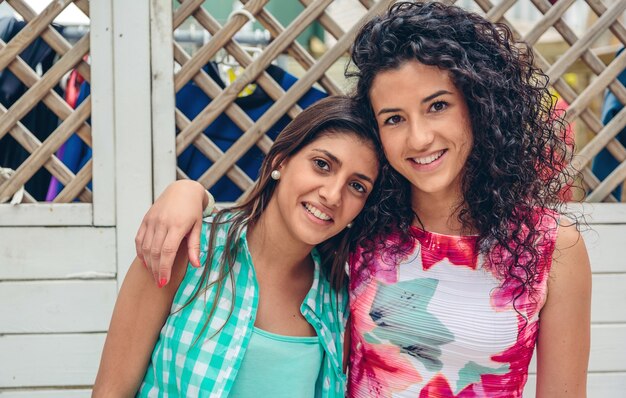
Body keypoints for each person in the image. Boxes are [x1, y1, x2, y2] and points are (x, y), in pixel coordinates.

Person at [134, 2, 591, 397]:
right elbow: (274, 226)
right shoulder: (364, 226)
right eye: (394, 118)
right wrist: (188, 192)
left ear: (479, 104)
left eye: (437, 106)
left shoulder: (550, 246)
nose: (418, 137)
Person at [93, 96, 385, 397]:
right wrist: (187, 189)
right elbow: (111, 392)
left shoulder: (339, 300)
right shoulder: (186, 249)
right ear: (280, 160)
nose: (333, 195)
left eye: (357, 186)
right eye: (322, 165)